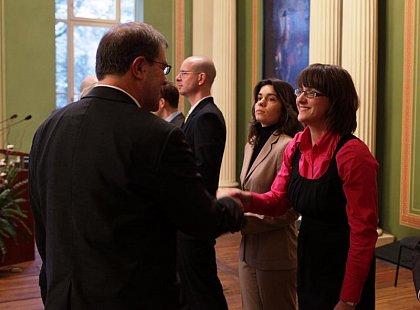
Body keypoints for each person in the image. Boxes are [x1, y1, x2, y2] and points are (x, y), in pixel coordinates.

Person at [29, 22, 244, 310]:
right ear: (139, 67)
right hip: (131, 297)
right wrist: (232, 206)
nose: (166, 82)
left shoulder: (48, 128)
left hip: (62, 296)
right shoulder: (157, 135)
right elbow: (199, 221)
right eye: (163, 69)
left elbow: (42, 222)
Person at [221, 64, 379, 309]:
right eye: (300, 91)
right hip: (309, 261)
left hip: (344, 269)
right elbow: (279, 201)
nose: (301, 99)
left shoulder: (353, 155)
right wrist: (246, 198)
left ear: (336, 101)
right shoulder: (296, 145)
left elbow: (363, 234)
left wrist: (348, 298)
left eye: (312, 93)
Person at [239, 79, 302, 310]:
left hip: (276, 253)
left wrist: (242, 221)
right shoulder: (252, 142)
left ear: (285, 107)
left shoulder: (288, 145)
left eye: (271, 98)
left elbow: (291, 209)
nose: (261, 103)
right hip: (247, 251)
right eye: (259, 97)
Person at [175, 55, 228, 309]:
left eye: (184, 73)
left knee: (202, 290)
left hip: (194, 219)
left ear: (201, 78)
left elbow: (202, 172)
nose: (177, 77)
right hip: (188, 218)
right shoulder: (196, 115)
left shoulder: (207, 117)